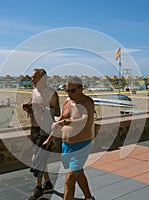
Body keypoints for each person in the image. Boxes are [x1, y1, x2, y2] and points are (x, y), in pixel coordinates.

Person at [43, 76, 95, 200]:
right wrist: (49, 139)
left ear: (81, 88)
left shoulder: (87, 102)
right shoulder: (67, 102)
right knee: (78, 173)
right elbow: (59, 120)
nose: (69, 93)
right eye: (67, 90)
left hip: (81, 145)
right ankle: (89, 198)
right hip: (66, 146)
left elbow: (84, 119)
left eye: (73, 90)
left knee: (69, 180)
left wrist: (65, 122)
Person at [23, 68, 61, 200]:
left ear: (42, 78)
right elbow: (33, 106)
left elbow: (57, 114)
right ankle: (48, 183)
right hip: (34, 128)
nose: (31, 79)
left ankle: (39, 188)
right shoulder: (33, 92)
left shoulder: (51, 93)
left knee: (37, 158)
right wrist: (28, 108)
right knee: (41, 158)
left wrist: (43, 109)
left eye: (34, 77)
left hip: (45, 129)